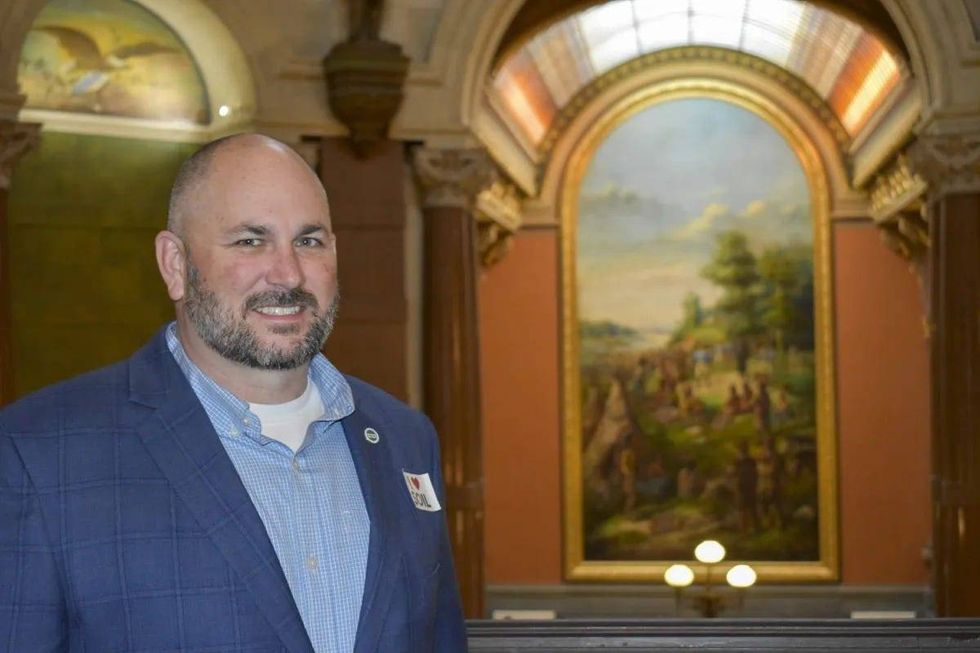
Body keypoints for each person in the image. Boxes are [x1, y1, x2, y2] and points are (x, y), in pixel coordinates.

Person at [0, 134, 466, 652]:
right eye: (250, 240)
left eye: (309, 240)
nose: (288, 273)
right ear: (175, 264)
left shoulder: (405, 439)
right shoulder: (40, 455)